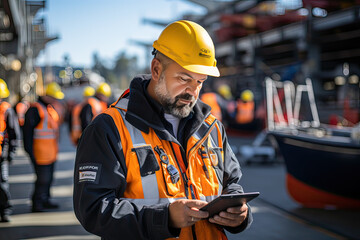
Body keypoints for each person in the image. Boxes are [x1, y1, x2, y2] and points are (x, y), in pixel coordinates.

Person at [73, 20, 252, 240]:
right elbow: (93, 209)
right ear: (156, 69)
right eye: (184, 78)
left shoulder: (212, 128)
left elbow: (232, 185)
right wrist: (164, 218)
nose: (192, 92)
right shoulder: (109, 129)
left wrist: (240, 214)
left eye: (200, 81)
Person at [23, 82, 64, 212]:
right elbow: (27, 134)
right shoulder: (35, 109)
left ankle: (45, 200)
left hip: (50, 153)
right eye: (54, 97)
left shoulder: (48, 109)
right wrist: (30, 152)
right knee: (42, 180)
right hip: (39, 153)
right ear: (47, 96)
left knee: (48, 179)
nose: (56, 100)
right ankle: (37, 203)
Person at [0, 78, 20, 222]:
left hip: (1, 155)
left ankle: (5, 210)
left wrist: (11, 152)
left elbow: (13, 133)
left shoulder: (6, 110)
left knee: (2, 184)